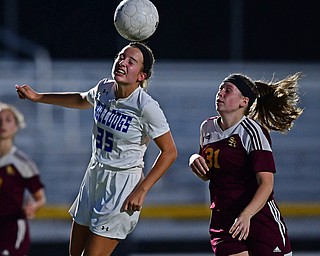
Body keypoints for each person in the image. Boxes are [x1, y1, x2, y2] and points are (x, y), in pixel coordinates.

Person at [16, 41, 177, 256]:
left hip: (122, 186)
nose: (123, 62)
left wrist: (141, 190)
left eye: (132, 61)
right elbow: (81, 99)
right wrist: (38, 97)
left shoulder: (146, 107)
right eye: (121, 56)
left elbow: (170, 151)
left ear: (142, 76)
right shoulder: (105, 88)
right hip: (94, 176)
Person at [189, 73, 303, 256]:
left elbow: (266, 184)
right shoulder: (207, 128)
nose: (220, 93)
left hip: (258, 217)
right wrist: (194, 159)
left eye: (228, 90)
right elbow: (208, 174)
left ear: (243, 101)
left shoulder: (252, 131)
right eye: (220, 89)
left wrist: (247, 215)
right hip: (224, 219)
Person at [0, 102, 46, 256]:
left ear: (16, 126)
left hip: (11, 228)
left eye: (8, 120)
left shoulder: (22, 163)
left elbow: (40, 198)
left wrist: (32, 207)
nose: (3, 124)